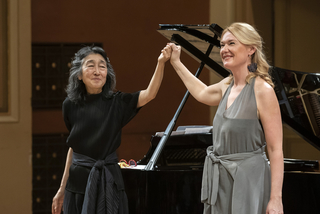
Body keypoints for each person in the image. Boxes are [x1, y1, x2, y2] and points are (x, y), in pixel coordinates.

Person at [169, 22, 284, 214]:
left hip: (249, 182)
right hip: (221, 180)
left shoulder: (262, 90)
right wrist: (176, 62)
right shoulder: (226, 85)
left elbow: (275, 149)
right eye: (222, 45)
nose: (224, 50)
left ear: (251, 49)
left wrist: (276, 199)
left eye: (231, 43)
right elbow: (202, 92)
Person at [51, 44, 172, 214]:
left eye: (102, 66)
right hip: (77, 185)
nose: (97, 71)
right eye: (90, 65)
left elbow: (150, 94)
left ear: (107, 74)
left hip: (109, 181)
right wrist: (61, 189)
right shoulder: (69, 105)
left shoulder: (118, 103)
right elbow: (74, 147)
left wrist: (161, 63)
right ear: (79, 74)